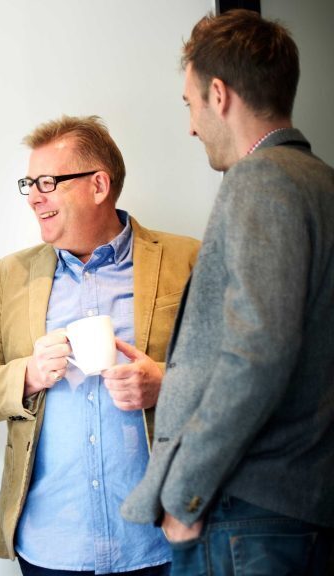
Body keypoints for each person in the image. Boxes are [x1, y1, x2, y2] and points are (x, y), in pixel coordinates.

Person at [121, 10, 334, 575]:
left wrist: (187, 494)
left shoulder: (260, 180)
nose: (191, 125)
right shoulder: (323, 184)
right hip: (301, 508)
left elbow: (255, 356)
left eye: (189, 104)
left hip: (247, 517)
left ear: (219, 94)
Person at [0, 115, 200, 575]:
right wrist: (26, 374)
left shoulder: (187, 258)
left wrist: (166, 382)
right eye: (29, 183)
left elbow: (238, 374)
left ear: (99, 185)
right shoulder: (12, 275)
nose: (33, 197)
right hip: (51, 545)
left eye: (47, 181)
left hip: (161, 539)